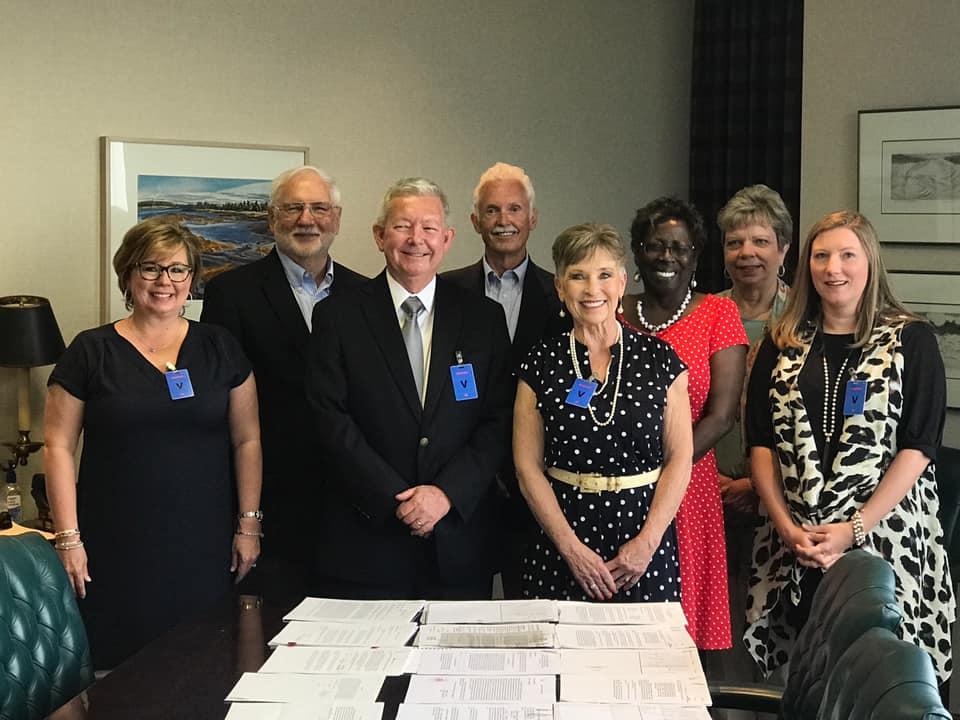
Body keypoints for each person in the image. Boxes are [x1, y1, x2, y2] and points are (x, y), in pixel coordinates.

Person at [744, 210, 954, 681]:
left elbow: (918, 448)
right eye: (821, 256)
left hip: (885, 538)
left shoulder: (911, 340)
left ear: (870, 263)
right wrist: (786, 527)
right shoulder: (782, 342)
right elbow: (760, 444)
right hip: (795, 541)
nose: (832, 268)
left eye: (846, 255)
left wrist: (854, 529)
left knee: (879, 682)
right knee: (805, 679)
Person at [44, 216, 262, 669]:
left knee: (203, 668)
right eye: (151, 268)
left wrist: (249, 525)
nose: (165, 281)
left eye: (178, 269)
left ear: (192, 279)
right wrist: (68, 538)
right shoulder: (91, 351)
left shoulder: (221, 347)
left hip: (204, 546)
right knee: (117, 677)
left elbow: (248, 440)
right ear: (128, 274)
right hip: (116, 546)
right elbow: (58, 447)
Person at [305, 177, 513, 599]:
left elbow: (500, 418)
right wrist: (395, 498)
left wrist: (445, 494)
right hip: (366, 540)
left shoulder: (483, 320)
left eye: (429, 228)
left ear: (448, 238)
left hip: (457, 541)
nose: (416, 239)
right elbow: (329, 418)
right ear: (380, 236)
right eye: (402, 226)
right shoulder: (338, 316)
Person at [201, 166, 366, 581]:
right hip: (271, 498)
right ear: (272, 219)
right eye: (293, 208)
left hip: (354, 504)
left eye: (319, 208)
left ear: (337, 218)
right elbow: (222, 405)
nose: (306, 219)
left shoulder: (366, 295)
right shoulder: (231, 293)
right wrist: (245, 517)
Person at [514, 223, 693, 602]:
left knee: (643, 657)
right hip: (561, 541)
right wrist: (571, 548)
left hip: (643, 540)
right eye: (578, 276)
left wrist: (647, 542)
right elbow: (526, 466)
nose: (593, 289)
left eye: (605, 275)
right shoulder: (540, 363)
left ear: (623, 281)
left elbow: (680, 457)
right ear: (561, 288)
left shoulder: (662, 360)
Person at [621, 197, 747, 649]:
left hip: (688, 488)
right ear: (637, 252)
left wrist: (666, 469)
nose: (667, 256)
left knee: (682, 634)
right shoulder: (614, 309)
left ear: (695, 256)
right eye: (655, 246)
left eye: (680, 247)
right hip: (617, 485)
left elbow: (722, 415)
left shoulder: (718, 314)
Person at [443, 161, 570, 598]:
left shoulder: (564, 296)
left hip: (539, 488)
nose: (504, 221)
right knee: (461, 618)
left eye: (514, 209)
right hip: (465, 485)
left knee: (528, 616)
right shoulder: (444, 293)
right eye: (492, 211)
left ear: (532, 219)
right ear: (475, 221)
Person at [712, 184, 792, 696]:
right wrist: (716, 480)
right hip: (706, 492)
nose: (746, 253)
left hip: (783, 503)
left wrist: (757, 488)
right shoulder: (705, 315)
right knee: (717, 624)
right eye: (734, 242)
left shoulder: (807, 320)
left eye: (760, 241)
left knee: (774, 621)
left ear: (783, 249)